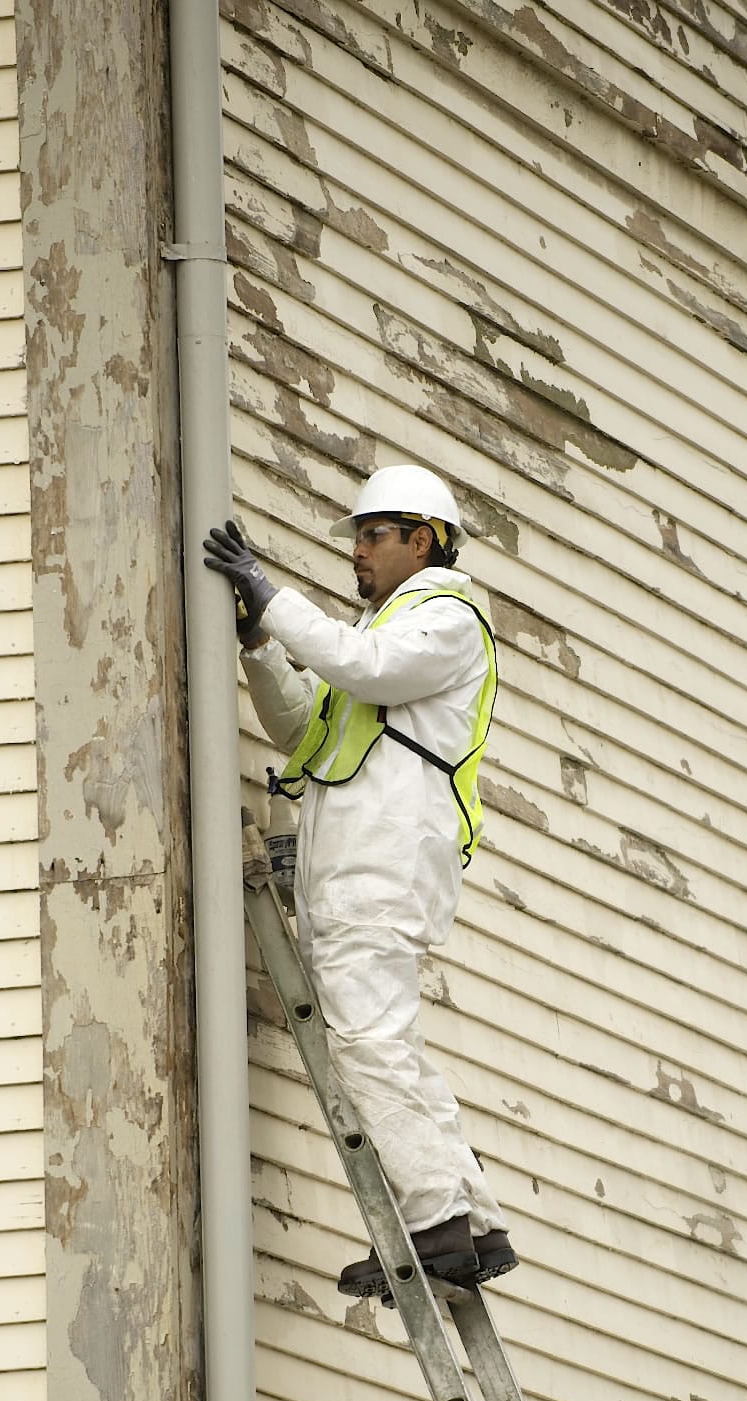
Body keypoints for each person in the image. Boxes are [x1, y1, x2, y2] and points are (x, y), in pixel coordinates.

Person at [204, 465, 516, 1300]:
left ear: (424, 541)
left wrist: (269, 598)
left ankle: (434, 1225)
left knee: (368, 1046)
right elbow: (305, 723)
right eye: (357, 536)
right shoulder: (384, 632)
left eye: (373, 535)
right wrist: (261, 647)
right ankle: (470, 1222)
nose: (357, 551)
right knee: (392, 1046)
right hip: (363, 863)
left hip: (379, 862)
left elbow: (363, 667)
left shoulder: (442, 618)